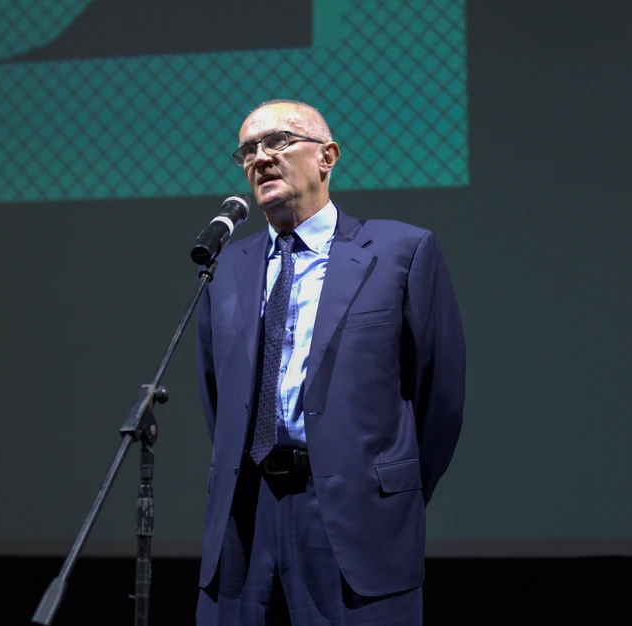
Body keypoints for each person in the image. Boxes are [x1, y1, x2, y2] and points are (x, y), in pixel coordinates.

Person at [194, 99, 466, 625]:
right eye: (248, 150)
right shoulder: (226, 268)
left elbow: (440, 394)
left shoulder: (402, 251)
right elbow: (216, 395)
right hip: (246, 512)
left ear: (328, 156)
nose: (260, 158)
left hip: (353, 511)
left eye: (278, 141)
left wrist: (388, 486)